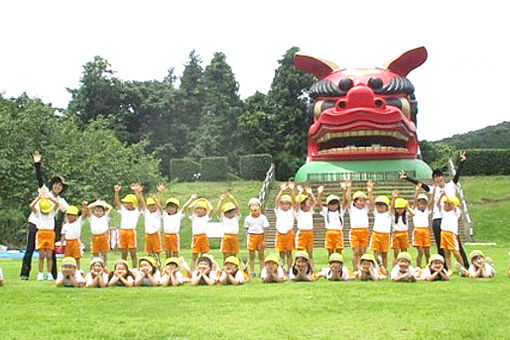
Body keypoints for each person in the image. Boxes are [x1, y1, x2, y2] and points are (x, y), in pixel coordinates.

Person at [400, 151, 469, 265]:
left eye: (440, 176)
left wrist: (462, 162)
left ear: (443, 177)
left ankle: (465, 265)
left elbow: (457, 176)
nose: (438, 179)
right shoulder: (433, 189)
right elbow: (420, 184)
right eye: (436, 177)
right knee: (440, 244)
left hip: (450, 218)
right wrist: (407, 177)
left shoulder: (451, 185)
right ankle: (443, 266)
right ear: (434, 179)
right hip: (437, 219)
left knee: (456, 242)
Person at [21, 150, 69, 280]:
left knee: (50, 251)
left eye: (60, 185)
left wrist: (84, 211)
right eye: (56, 184)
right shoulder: (45, 191)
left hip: (47, 226)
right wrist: (37, 163)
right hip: (35, 221)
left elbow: (70, 211)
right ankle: (25, 273)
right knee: (30, 248)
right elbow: (39, 178)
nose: (58, 187)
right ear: (52, 185)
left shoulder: (61, 201)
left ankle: (52, 274)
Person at [158, 184, 195, 259]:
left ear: (176, 208)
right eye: (169, 207)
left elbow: (184, 207)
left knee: (175, 252)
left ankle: (175, 266)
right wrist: (160, 193)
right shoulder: (165, 215)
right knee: (167, 253)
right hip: (166, 235)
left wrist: (191, 198)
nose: (171, 209)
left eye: (173, 207)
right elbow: (159, 205)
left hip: (174, 235)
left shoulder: (178, 215)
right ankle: (168, 266)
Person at [344, 180, 374, 270]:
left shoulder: (365, 209)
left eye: (363, 201)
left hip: (364, 231)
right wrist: (349, 188)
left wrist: (370, 191)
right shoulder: (351, 209)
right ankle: (356, 268)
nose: (361, 203)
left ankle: (363, 268)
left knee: (363, 251)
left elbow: (371, 202)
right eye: (359, 201)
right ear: (355, 201)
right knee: (356, 251)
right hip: (355, 231)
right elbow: (347, 199)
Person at [30, 193, 60, 281]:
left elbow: (57, 204)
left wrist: (49, 198)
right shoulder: (38, 213)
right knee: (41, 255)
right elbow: (31, 206)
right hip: (41, 233)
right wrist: (38, 198)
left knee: (49, 255)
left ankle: (49, 273)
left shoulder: (52, 212)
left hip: (50, 233)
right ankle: (40, 273)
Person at [113, 183, 143, 268]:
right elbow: (117, 202)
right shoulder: (123, 210)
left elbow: (140, 202)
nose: (126, 204)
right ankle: (123, 268)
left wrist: (136, 191)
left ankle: (134, 268)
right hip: (123, 231)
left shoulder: (136, 211)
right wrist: (116, 192)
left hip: (131, 232)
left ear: (132, 203)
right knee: (124, 252)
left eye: (128, 203)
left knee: (133, 252)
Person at [436, 193, 466, 273]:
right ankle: (449, 269)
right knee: (446, 252)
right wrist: (441, 196)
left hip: (451, 234)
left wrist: (449, 199)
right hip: (443, 233)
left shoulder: (456, 212)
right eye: (445, 203)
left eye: (447, 203)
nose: (445, 205)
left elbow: (454, 206)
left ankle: (462, 267)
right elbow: (437, 204)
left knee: (456, 252)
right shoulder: (444, 212)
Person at [316, 184, 346, 257]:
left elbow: (345, 201)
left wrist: (344, 190)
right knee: (330, 251)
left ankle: (339, 263)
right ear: (328, 205)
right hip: (329, 232)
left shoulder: (340, 210)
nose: (333, 206)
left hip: (338, 232)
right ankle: (331, 264)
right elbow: (319, 204)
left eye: (335, 204)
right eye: (331, 204)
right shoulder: (326, 211)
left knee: (339, 250)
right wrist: (320, 193)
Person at [294, 185, 318, 270]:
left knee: (310, 253)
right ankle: (298, 270)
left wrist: (311, 193)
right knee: (300, 254)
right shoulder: (298, 212)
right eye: (308, 203)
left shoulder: (310, 211)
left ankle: (312, 270)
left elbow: (316, 202)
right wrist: (300, 192)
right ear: (303, 204)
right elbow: (296, 203)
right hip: (301, 233)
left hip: (310, 233)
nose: (310, 204)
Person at [244, 197, 270, 277]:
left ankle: (262, 271)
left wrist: (264, 240)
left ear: (259, 207)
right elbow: (247, 230)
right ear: (249, 208)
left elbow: (265, 229)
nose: (254, 207)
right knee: (251, 255)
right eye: (252, 206)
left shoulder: (263, 217)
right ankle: (252, 271)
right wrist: (247, 239)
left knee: (261, 255)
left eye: (256, 205)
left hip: (260, 236)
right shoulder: (248, 218)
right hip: (252, 236)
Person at [274, 181, 296, 272]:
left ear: (289, 204)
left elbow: (295, 201)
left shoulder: (292, 210)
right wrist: (282, 191)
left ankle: (290, 269)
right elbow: (276, 200)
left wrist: (291, 190)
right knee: (281, 252)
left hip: (289, 233)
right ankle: (282, 266)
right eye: (282, 203)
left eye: (286, 203)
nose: (284, 205)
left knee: (289, 252)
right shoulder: (278, 210)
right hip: (280, 233)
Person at [188, 197, 214, 270]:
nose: (199, 210)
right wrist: (196, 201)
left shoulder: (206, 217)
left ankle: (205, 269)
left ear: (205, 211)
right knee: (194, 256)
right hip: (196, 237)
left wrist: (206, 201)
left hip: (203, 237)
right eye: (197, 208)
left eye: (201, 208)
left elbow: (211, 209)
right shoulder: (194, 217)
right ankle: (191, 271)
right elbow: (190, 207)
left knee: (204, 255)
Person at [60, 203, 87, 270]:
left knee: (76, 257)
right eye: (68, 215)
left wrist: (84, 206)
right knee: (67, 258)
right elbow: (63, 235)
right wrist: (61, 244)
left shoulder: (78, 222)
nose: (70, 217)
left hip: (75, 242)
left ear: (75, 216)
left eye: (72, 215)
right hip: (68, 242)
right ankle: (68, 270)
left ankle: (78, 269)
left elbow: (84, 214)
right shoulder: (65, 225)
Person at [369, 194, 392, 272]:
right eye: (378, 205)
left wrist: (394, 197)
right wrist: (370, 192)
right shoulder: (376, 213)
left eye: (382, 205)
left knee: (384, 254)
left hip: (385, 235)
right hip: (376, 234)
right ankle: (378, 267)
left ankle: (384, 269)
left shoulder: (389, 213)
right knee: (376, 253)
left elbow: (392, 207)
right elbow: (371, 203)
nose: (380, 207)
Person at [411, 185, 433, 268]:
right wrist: (417, 191)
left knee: (427, 252)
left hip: (425, 231)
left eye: (424, 203)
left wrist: (433, 192)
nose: (422, 205)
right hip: (417, 231)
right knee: (420, 252)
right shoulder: (415, 210)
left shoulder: (427, 211)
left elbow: (431, 202)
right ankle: (418, 267)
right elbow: (414, 201)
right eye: (420, 203)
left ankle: (429, 266)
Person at [86, 200, 112, 267]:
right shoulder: (92, 218)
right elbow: (88, 208)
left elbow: (110, 208)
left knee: (104, 253)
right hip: (95, 237)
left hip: (103, 236)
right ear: (94, 212)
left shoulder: (105, 217)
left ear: (103, 212)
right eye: (96, 211)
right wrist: (96, 203)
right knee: (95, 252)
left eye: (100, 211)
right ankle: (95, 265)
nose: (98, 212)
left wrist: (104, 203)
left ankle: (105, 265)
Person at [217, 193, 241, 261]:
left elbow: (238, 208)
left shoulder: (236, 217)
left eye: (232, 211)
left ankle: (234, 266)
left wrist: (232, 199)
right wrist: (221, 200)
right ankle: (225, 267)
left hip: (234, 236)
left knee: (234, 253)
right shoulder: (223, 218)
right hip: (226, 236)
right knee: (226, 253)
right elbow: (218, 210)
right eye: (228, 212)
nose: (230, 213)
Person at [391, 192, 413, 265]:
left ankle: (405, 265)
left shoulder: (406, 215)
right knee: (396, 253)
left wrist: (407, 207)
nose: (400, 210)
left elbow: (413, 213)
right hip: (396, 234)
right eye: (398, 208)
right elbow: (391, 207)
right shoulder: (393, 215)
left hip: (404, 234)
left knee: (404, 252)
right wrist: (394, 198)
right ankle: (395, 267)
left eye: (401, 208)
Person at [140, 194, 163, 262]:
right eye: (149, 205)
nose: (151, 207)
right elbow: (142, 202)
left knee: (157, 252)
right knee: (149, 252)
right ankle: (150, 264)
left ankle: (158, 264)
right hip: (148, 234)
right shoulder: (146, 212)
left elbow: (160, 204)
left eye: (153, 205)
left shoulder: (158, 212)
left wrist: (158, 195)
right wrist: (139, 192)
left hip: (155, 234)